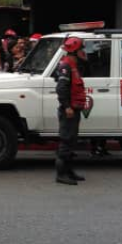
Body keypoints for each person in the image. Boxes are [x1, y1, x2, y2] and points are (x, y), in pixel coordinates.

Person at [54, 37, 89, 185]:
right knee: (66, 140)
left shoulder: (74, 65)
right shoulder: (66, 66)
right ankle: (61, 174)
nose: (83, 51)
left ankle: (69, 171)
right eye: (81, 49)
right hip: (69, 109)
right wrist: (67, 106)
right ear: (74, 50)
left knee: (72, 141)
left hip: (74, 108)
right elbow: (61, 88)